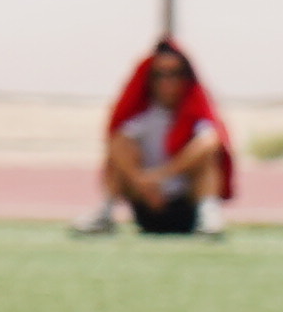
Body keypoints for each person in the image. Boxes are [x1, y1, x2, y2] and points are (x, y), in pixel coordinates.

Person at [87, 39, 234, 235]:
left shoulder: (193, 112)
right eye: (159, 75)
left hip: (184, 202)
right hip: (146, 199)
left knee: (208, 158)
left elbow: (211, 140)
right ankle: (105, 212)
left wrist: (164, 174)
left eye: (175, 74)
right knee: (120, 149)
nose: (167, 82)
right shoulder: (141, 114)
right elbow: (117, 141)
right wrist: (140, 181)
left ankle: (209, 216)